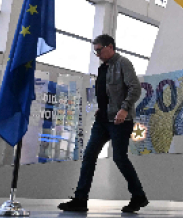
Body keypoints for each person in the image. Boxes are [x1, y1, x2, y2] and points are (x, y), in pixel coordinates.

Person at [58, 34, 148, 213]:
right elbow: (105, 93)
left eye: (99, 50)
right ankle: (80, 199)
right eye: (95, 51)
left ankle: (138, 196)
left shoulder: (123, 63)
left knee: (119, 158)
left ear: (110, 47)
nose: (97, 54)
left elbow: (135, 88)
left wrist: (124, 109)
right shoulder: (102, 68)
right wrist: (102, 108)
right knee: (89, 155)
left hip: (120, 120)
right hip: (103, 120)